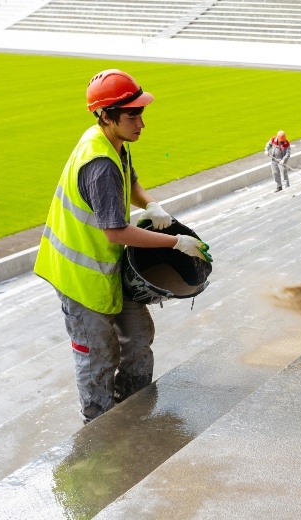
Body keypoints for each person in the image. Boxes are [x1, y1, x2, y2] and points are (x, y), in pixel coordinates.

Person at [34, 69, 212, 424]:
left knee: (139, 335)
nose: (141, 123)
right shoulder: (99, 165)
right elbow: (116, 232)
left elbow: (130, 180)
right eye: (132, 115)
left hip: (108, 267)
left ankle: (132, 406)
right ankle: (99, 424)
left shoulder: (113, 143)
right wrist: (176, 242)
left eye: (141, 112)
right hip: (81, 277)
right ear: (105, 115)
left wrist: (151, 205)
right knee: (98, 355)